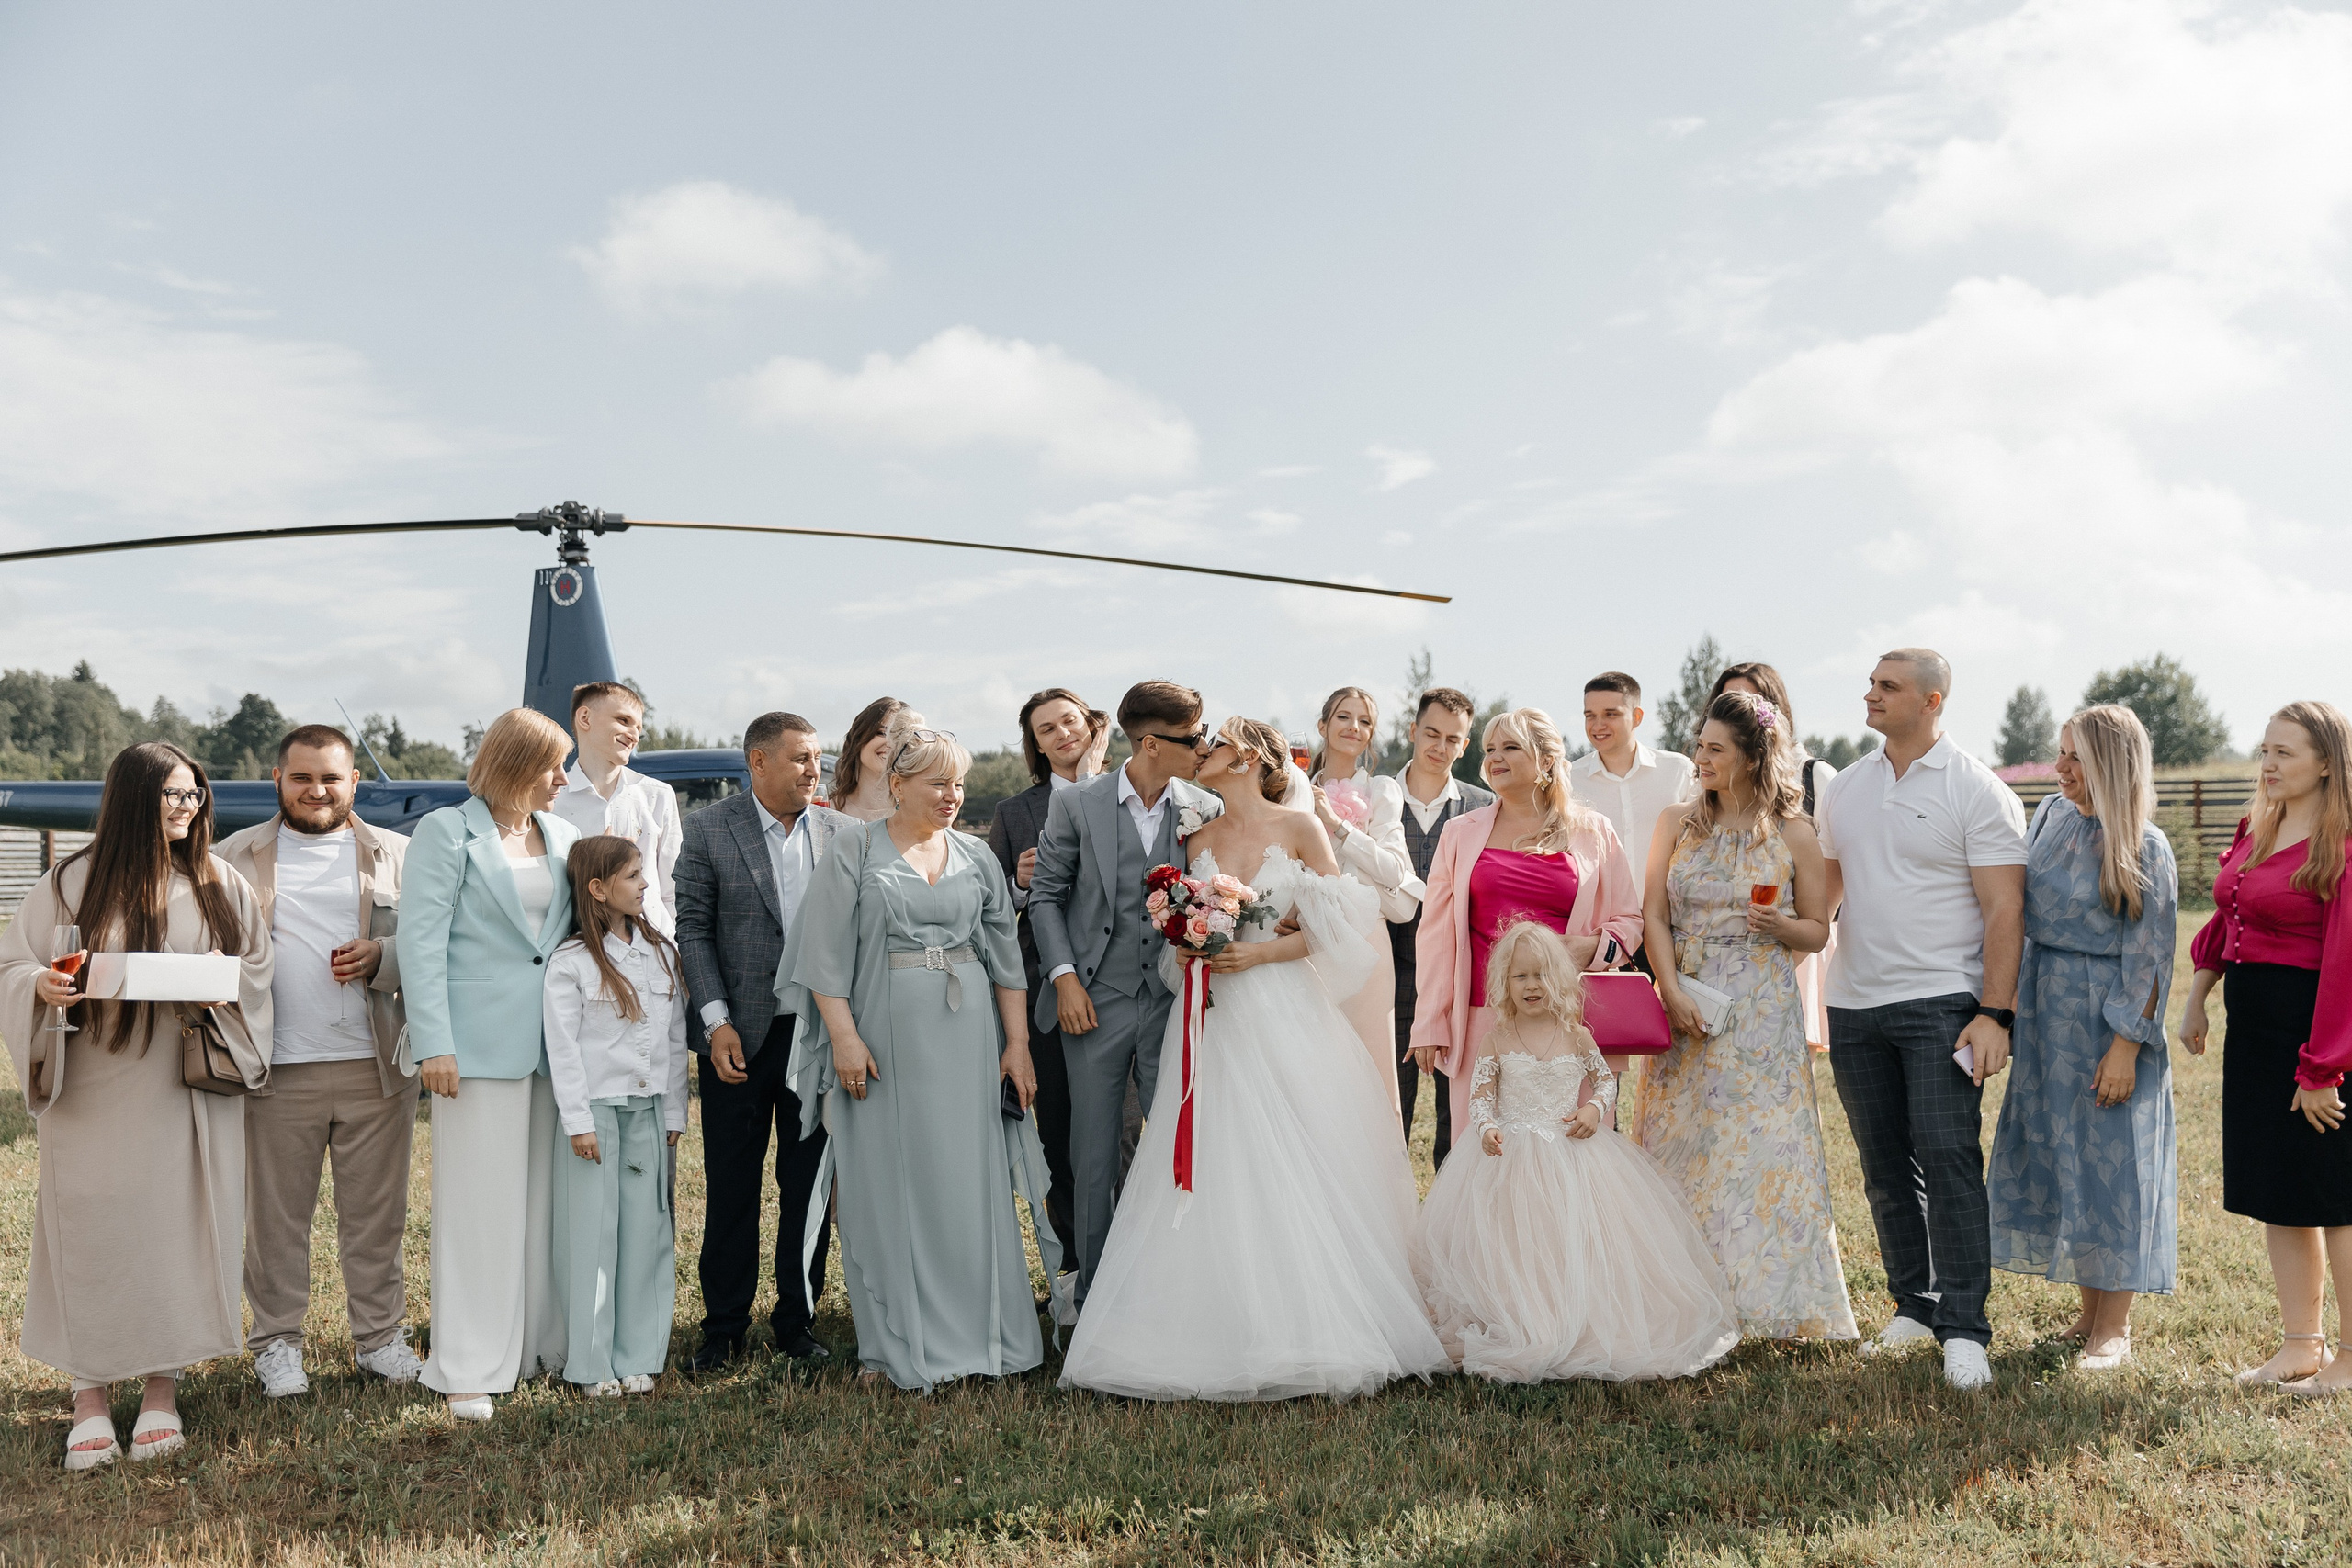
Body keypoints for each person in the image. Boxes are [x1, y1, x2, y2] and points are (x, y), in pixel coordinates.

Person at [1059, 717, 1449, 1400]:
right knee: (1212, 1153)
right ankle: (1207, 1321)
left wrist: (1261, 952)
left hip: (1282, 1006)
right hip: (1210, 1014)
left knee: (1294, 1153)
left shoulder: (1300, 827)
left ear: (1247, 757)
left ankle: (1308, 1320)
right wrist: (1189, 944)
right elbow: (1179, 923)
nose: (1201, 752)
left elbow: (1339, 923)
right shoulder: (1196, 837)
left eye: (1212, 746)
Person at [2, 742, 273, 1470]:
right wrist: (41, 987)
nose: (188, 808)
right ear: (131, 799)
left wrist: (221, 987)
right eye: (172, 796)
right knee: (92, 1226)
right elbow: (15, 961)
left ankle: (162, 1387)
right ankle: (89, 1395)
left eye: (194, 795)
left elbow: (256, 969)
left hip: (186, 1082)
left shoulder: (221, 881)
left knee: (179, 1227)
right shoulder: (70, 883)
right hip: (93, 1083)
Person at [778, 715, 1055, 1389]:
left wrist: (1016, 1045)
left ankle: (987, 1339)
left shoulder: (977, 855)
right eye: (938, 782)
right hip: (880, 1045)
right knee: (890, 1186)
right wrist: (843, 1037)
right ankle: (900, 1343)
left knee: (969, 1184)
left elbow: (1006, 964)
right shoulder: (855, 851)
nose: (952, 795)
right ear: (897, 784)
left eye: (958, 784)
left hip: (967, 1045)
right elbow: (822, 957)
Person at [1816, 649, 2025, 1393]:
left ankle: (1966, 1329)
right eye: (1871, 681)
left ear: (1932, 700)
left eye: (1887, 686)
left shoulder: (1978, 789)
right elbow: (1826, 891)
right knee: (1882, 1167)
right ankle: (1915, 1302)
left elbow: (2006, 909)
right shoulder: (1843, 788)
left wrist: (1995, 1012)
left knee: (1948, 1157)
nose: (1869, 693)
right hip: (1853, 1003)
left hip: (1944, 1003)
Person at [1416, 922, 1740, 1382]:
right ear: (1504, 983)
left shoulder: (1577, 1035)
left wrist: (1592, 1108)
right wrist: (1486, 1127)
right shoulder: (1497, 1039)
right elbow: (1481, 1096)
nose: (1533, 986)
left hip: (1571, 1153)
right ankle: (1517, 1315)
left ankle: (1575, 1316)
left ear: (1562, 981)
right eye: (1521, 977)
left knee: (1570, 1238)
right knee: (1514, 1241)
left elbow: (1606, 1080)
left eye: (1543, 975)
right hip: (1510, 1160)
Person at [1632, 692, 1858, 1343]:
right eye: (1699, 746)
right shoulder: (1676, 822)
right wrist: (1668, 987)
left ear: (1753, 756)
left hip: (1760, 1010)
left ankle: (1773, 1303)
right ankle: (1679, 1301)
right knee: (1682, 1147)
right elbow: (1654, 913)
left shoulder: (1795, 831)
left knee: (1762, 1155)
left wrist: (1782, 924)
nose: (1700, 758)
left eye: (1715, 749)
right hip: (1686, 1002)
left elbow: (1818, 929)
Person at [219, 725, 420, 1398]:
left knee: (377, 1214)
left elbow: (437, 945)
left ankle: (381, 1338)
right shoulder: (233, 858)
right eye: (302, 777)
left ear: (355, 781)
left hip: (377, 1063)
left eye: (330, 777)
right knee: (277, 1218)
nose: (317, 790)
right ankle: (277, 1345)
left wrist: (382, 958)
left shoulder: (399, 855)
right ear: (277, 779)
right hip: (277, 1066)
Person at [1986, 705, 2177, 1371]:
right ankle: (2087, 1316)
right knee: (2068, 1162)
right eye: (2058, 753)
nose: (2060, 768)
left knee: (2113, 1167)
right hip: (2045, 1014)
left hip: (2105, 1021)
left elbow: (2151, 957)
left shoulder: (2146, 846)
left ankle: (2115, 1328)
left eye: (2076, 757)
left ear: (2111, 764)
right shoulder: (2048, 817)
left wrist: (2127, 1043)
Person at [402, 706, 579, 1421]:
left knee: (543, 1203)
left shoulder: (564, 835)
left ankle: (535, 1344)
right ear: (511, 764)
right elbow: (420, 943)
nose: (564, 779)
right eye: (551, 765)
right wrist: (433, 1041)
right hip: (471, 1047)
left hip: (553, 1047)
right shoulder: (446, 832)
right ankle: (467, 1362)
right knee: (479, 1207)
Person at [1027, 681, 1223, 1307]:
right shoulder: (1078, 804)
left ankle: (1164, 1287)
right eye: (1192, 736)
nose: (1203, 745)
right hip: (1095, 998)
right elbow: (1047, 896)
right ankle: (1093, 1292)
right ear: (1150, 742)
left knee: (1171, 1142)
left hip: (1173, 1001)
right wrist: (1064, 979)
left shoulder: (1204, 806)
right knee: (1092, 1153)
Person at [673, 711, 852, 1368]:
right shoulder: (708, 828)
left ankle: (797, 1322)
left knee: (807, 1187)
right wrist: (715, 1021)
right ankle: (722, 1328)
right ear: (758, 762)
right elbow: (691, 928)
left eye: (819, 758)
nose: (815, 770)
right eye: (803, 758)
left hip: (818, 1037)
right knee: (731, 1186)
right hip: (738, 1038)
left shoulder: (844, 833)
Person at [2183, 700, 2352, 1392]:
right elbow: (2228, 915)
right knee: (2280, 1191)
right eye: (2265, 750)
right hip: (2254, 1034)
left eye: (2286, 751)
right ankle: (2299, 1346)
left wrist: (2323, 1065)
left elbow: (2346, 961)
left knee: (2334, 1196)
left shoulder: (2342, 843)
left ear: (2325, 762)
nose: (2270, 763)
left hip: (2317, 1034)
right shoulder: (2258, 825)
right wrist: (2197, 994)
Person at [1410, 707, 1643, 1151]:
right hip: (1483, 1015)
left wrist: (1591, 948)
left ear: (1546, 761)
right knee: (1488, 1157)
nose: (1494, 759)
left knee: (1573, 1155)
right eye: (1489, 750)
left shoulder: (1594, 831)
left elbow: (1630, 921)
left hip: (1569, 1021)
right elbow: (1437, 936)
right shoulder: (1460, 833)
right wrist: (1429, 1023)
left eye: (1510, 747)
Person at [986, 686, 1115, 1327]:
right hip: (1043, 989)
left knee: (1122, 1129)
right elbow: (990, 906)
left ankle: (1126, 1260)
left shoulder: (1128, 789)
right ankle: (1071, 1273)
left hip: (1116, 986)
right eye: (1045, 728)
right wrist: (1018, 881)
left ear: (1092, 725)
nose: (1061, 733)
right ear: (1034, 744)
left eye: (1069, 720)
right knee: (1060, 1129)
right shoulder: (1015, 813)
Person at [544, 835, 689, 1396]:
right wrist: (578, 1122)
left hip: (649, 1113)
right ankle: (591, 1363)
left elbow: (674, 1042)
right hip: (597, 1117)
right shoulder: (572, 963)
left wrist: (674, 1108)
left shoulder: (662, 954)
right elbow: (564, 1050)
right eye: (632, 877)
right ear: (599, 889)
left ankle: (638, 1357)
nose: (644, 885)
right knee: (593, 1238)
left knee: (647, 1234)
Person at [1306, 685, 1423, 1116]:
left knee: (1372, 1062)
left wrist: (1338, 826)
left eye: (1365, 721)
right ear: (1322, 725)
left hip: (1366, 938)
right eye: (1343, 717)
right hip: (1305, 941)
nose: (1354, 727)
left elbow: (1394, 870)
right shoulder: (1294, 788)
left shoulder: (1383, 791)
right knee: (1313, 1063)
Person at [1712, 661, 1837, 1051]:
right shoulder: (1708, 781)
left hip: (1793, 941)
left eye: (1752, 698)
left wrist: (1789, 953)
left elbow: (1829, 888)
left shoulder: (1816, 776)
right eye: (1728, 698)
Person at [1391, 687, 1490, 1164]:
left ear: (1465, 746)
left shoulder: (1486, 809)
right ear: (1413, 731)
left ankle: (1454, 1228)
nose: (1440, 746)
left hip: (1459, 983)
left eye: (1453, 739)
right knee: (1389, 1112)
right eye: (1431, 733)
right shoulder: (1376, 799)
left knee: (1460, 1120)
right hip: (1386, 981)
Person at [551, 681, 684, 937]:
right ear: (585, 718)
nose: (634, 734)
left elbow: (673, 890)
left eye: (639, 728)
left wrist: (679, 955)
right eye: (623, 720)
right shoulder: (553, 802)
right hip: (582, 951)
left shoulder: (658, 796)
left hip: (654, 949)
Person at [1571, 671, 1697, 919]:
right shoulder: (1569, 780)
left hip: (1674, 920)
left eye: (1611, 714)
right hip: (1602, 926)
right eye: (1590, 716)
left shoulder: (1678, 770)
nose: (1598, 725)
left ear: (1637, 717)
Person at [831, 696, 910, 823]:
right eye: (881, 733)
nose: (890, 743)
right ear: (858, 739)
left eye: (899, 735)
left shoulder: (919, 814)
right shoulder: (824, 810)